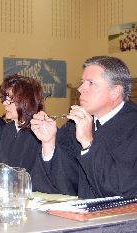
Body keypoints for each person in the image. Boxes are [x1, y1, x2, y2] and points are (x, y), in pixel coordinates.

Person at [30, 56, 137, 198]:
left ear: (115, 91)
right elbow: (69, 185)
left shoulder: (132, 126)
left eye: (91, 83)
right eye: (82, 82)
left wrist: (88, 144)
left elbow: (122, 190)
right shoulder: (74, 125)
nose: (80, 89)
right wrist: (49, 143)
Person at [0, 74, 43, 174]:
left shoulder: (41, 132)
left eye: (10, 100)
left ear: (27, 102)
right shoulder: (5, 130)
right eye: (4, 99)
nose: (4, 103)